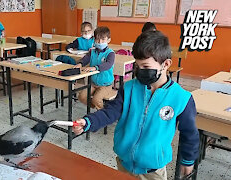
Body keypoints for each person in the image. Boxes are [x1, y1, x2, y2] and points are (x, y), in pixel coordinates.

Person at [73, 31, 199, 180]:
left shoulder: (182, 98)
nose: (140, 72)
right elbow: (110, 112)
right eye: (138, 66)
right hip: (124, 163)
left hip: (153, 170)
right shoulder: (129, 88)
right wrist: (89, 122)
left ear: (165, 64)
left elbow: (189, 134)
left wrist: (187, 161)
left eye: (145, 66)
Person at [74, 26, 115, 110]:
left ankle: (103, 115)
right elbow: (85, 59)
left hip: (106, 84)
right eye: (97, 39)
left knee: (96, 99)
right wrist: (80, 64)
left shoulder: (110, 53)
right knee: (82, 96)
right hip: (93, 83)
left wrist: (95, 68)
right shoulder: (92, 51)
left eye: (103, 39)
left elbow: (108, 64)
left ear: (108, 40)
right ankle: (98, 109)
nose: (100, 42)